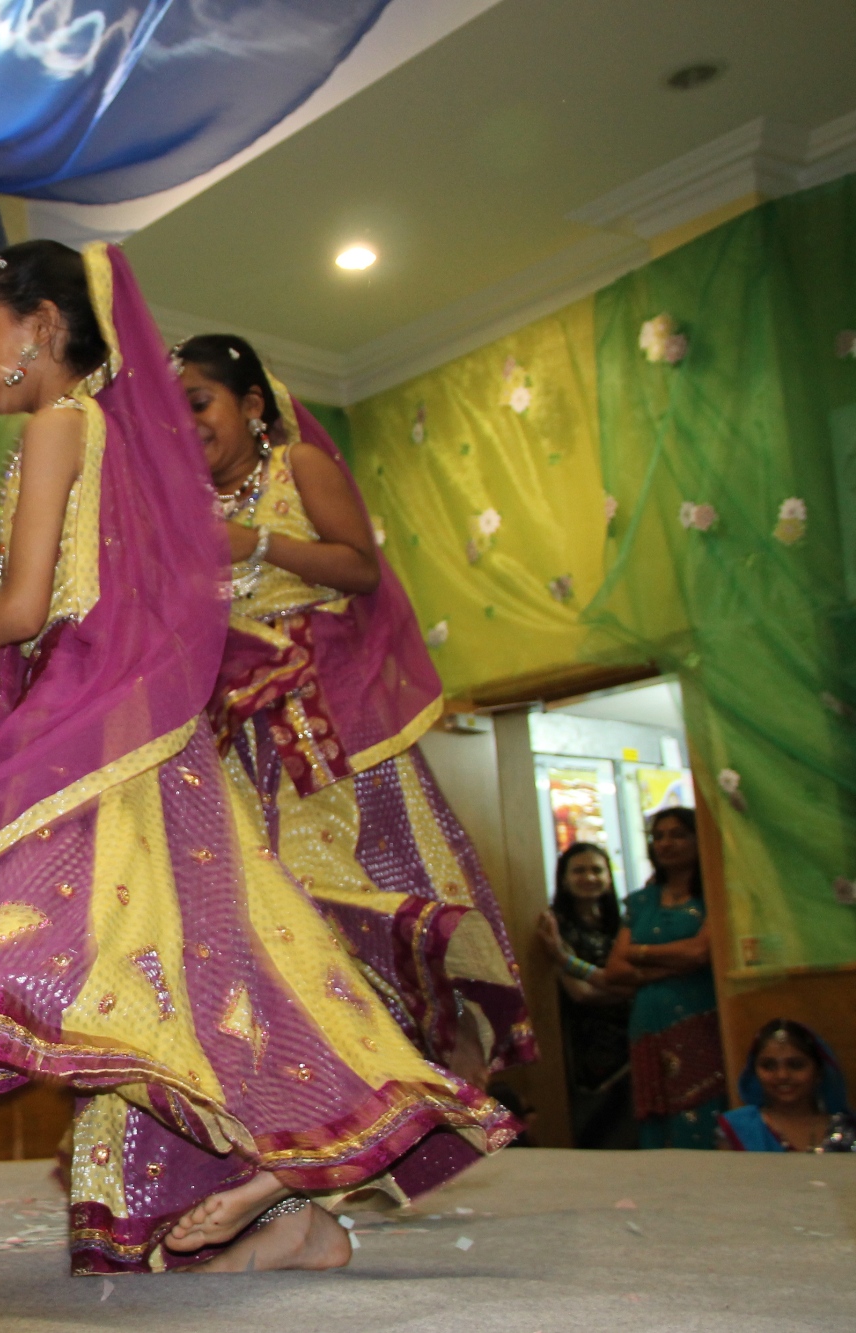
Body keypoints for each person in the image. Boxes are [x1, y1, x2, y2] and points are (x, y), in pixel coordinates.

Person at [0, 239, 513, 1278]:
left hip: (113, 754)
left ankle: (288, 1180)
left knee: (99, 962)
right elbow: (75, 609)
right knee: (202, 972)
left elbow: (28, 609)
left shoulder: (60, 425)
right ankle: (289, 1209)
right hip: (136, 740)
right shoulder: (101, 433)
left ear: (42, 326)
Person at [169, 334, 532, 1088]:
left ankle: (447, 1021)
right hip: (238, 739)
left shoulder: (295, 467)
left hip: (330, 723)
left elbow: (360, 568)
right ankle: (342, 1088)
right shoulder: (184, 512)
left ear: (253, 404)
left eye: (199, 401)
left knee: (354, 879)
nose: (187, 421)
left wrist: (258, 543)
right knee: (264, 906)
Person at [601, 807, 723, 1149]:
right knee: (658, 1121)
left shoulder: (714, 893)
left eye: (678, 835)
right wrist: (676, 960)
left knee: (702, 1113)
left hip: (700, 1022)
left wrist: (641, 953)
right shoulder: (643, 901)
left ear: (701, 840)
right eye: (658, 836)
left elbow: (701, 953)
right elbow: (615, 970)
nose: (666, 843)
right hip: (649, 1026)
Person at [534, 842, 636, 1148]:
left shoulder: (619, 925)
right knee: (601, 1133)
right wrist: (629, 991)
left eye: (596, 870)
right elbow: (580, 993)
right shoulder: (557, 927)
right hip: (589, 1046)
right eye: (579, 870)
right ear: (563, 879)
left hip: (633, 1037)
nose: (589, 877)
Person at [718, 1019, 856, 1152]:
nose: (782, 1075)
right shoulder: (737, 1128)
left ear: (819, 1071)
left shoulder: (849, 1130)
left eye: (796, 1065)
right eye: (769, 1066)